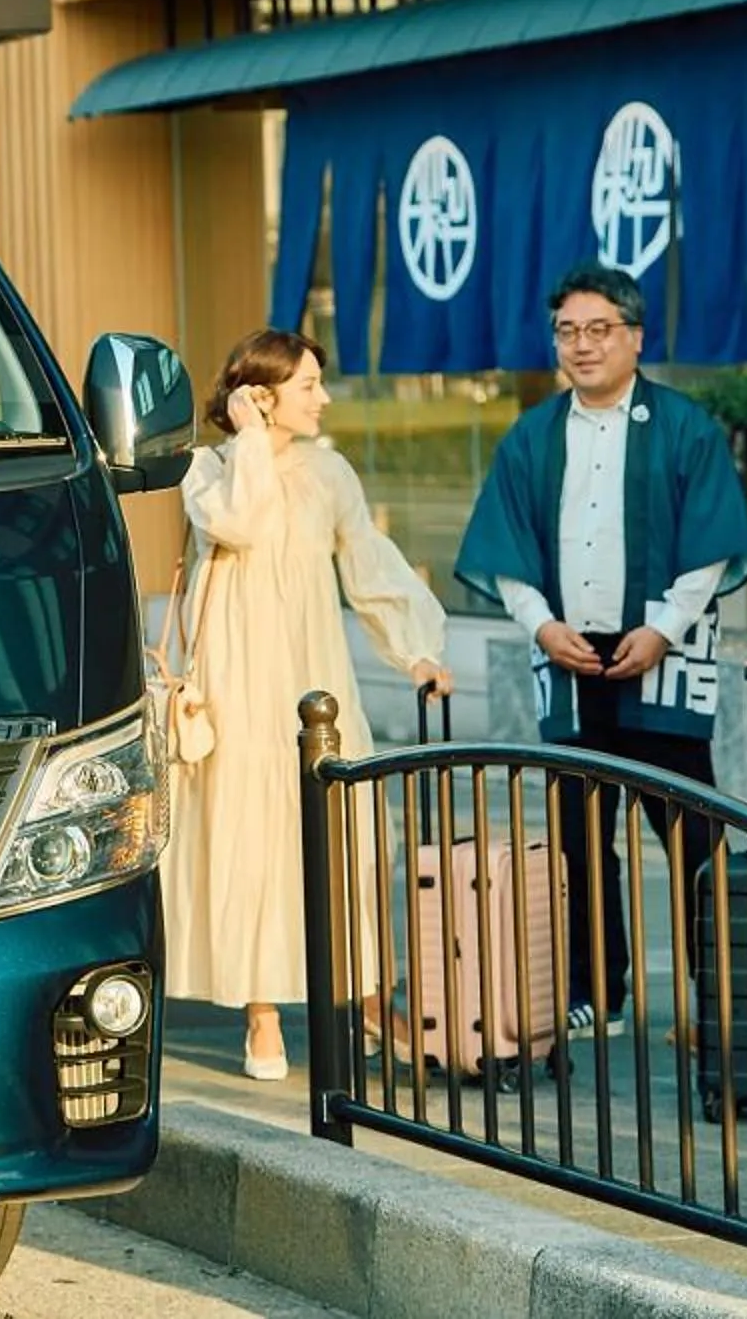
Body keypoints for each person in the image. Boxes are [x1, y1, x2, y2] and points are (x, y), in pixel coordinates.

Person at [454, 264, 747, 1042]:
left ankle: (720, 993)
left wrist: (664, 628)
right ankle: (598, 991)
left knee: (693, 834)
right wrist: (539, 625)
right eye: (568, 331)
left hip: (660, 651)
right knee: (579, 840)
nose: (582, 345)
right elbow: (505, 546)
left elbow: (711, 546)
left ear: (635, 337)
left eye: (599, 330)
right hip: (570, 657)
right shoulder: (533, 435)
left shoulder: (684, 426)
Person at [164, 328, 452, 1083]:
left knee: (340, 828)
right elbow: (243, 521)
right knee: (254, 836)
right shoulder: (208, 469)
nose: (323, 398)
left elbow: (368, 563)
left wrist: (416, 650)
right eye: (307, 385)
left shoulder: (330, 471)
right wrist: (249, 440)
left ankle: (363, 994)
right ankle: (261, 1013)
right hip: (238, 681)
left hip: (314, 672)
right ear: (260, 396)